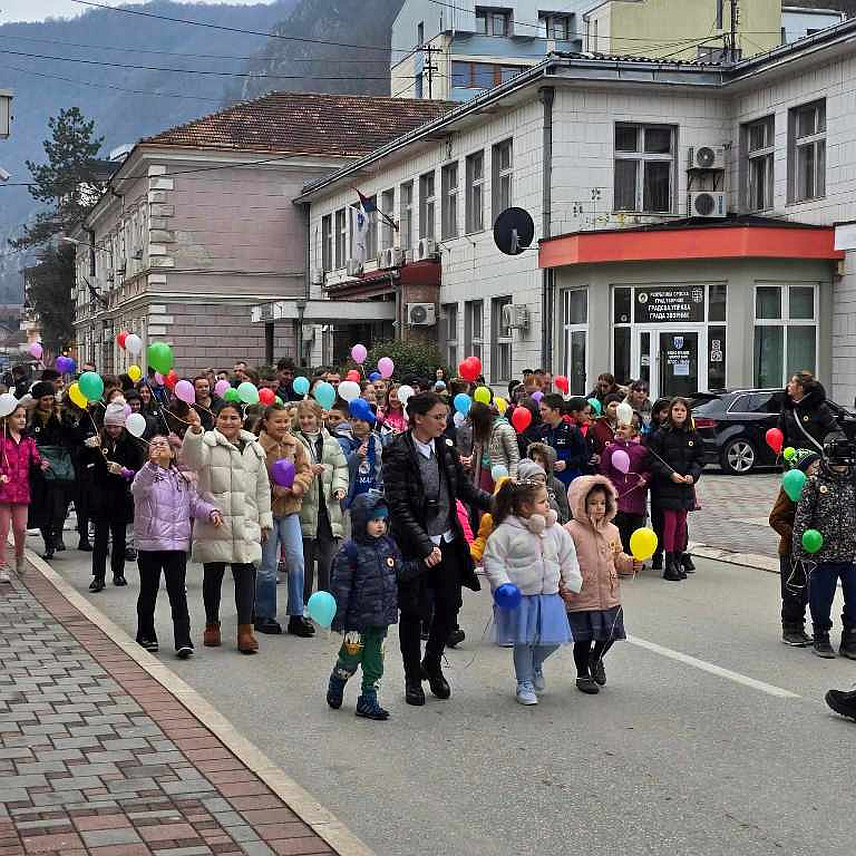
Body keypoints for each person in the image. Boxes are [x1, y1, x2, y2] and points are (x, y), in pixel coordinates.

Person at [383, 392, 492, 706]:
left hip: (447, 541)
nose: (444, 422)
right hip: (415, 546)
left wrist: (499, 503)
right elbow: (399, 506)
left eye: (445, 416)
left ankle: (431, 663)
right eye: (438, 417)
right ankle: (411, 677)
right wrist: (423, 544)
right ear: (418, 418)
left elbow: (464, 488)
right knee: (414, 612)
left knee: (448, 607)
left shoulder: (445, 448)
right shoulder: (397, 451)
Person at [180, 401, 272, 655]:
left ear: (241, 421)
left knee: (246, 576)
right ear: (216, 420)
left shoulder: (254, 448)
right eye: (223, 417)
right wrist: (195, 433)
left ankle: (245, 629)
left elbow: (262, 488)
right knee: (213, 576)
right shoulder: (207, 442)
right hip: (216, 520)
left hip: (245, 520)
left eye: (233, 418)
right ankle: (212, 624)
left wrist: (265, 520)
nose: (228, 422)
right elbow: (191, 459)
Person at [483, 479, 580, 705]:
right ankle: (524, 682)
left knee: (553, 640)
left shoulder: (555, 530)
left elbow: (569, 557)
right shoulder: (506, 531)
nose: (548, 506)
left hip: (549, 595)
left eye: (549, 501)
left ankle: (535, 664)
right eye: (543, 501)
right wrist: (503, 585)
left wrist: (573, 581)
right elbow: (493, 561)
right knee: (523, 641)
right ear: (526, 507)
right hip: (521, 598)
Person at [132, 434, 222, 658]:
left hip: (176, 545)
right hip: (150, 545)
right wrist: (151, 464)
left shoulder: (181, 479)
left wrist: (210, 511)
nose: (159, 446)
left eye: (164, 444)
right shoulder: (146, 476)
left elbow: (193, 503)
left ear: (173, 453)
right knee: (148, 592)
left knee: (177, 594)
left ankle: (183, 639)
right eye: (154, 444)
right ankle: (145, 633)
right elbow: (137, 488)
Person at [326, 491, 403, 720]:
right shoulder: (349, 552)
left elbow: (400, 571)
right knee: (350, 660)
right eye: (374, 520)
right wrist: (338, 619)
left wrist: (423, 563)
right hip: (356, 621)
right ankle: (338, 679)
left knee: (375, 661)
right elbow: (341, 589)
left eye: (383, 521)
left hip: (380, 620)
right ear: (361, 521)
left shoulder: (389, 546)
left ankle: (368, 699)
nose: (380, 526)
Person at [563, 475, 638, 694]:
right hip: (582, 594)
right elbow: (563, 562)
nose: (598, 508)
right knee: (584, 638)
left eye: (603, 503)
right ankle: (582, 674)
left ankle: (595, 659)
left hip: (609, 592)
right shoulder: (570, 531)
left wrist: (630, 563)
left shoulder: (612, 530)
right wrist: (563, 585)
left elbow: (618, 556)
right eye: (593, 503)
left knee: (610, 633)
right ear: (581, 503)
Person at [792, 434, 856, 659]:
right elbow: (802, 518)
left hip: (851, 553)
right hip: (823, 553)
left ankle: (851, 637)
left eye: (844, 464)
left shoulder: (853, 480)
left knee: (855, 598)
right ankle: (821, 635)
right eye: (836, 463)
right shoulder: (814, 484)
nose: (840, 468)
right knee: (821, 597)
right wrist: (801, 551)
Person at [256, 403, 314, 637]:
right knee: (268, 566)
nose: (282, 425)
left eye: (286, 421)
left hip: (290, 510)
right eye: (277, 421)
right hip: (267, 512)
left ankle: (297, 613)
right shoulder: (257, 447)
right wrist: (272, 488)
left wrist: (295, 486)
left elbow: (305, 470)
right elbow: (252, 476)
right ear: (267, 423)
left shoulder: (296, 444)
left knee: (297, 560)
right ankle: (264, 613)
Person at [82, 400, 143, 592]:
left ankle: (118, 572)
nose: (112, 430)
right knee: (100, 539)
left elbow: (139, 470)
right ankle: (98, 576)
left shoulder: (131, 444)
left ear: (122, 425)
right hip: (101, 495)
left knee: (119, 537)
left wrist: (125, 472)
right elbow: (82, 460)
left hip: (121, 496)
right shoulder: (100, 441)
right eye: (109, 426)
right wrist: (88, 447)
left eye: (116, 427)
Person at [295, 399, 348, 601]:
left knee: (328, 559)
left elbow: (340, 468)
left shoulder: (332, 442)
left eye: (310, 417)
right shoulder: (294, 441)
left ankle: (326, 600)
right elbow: (290, 469)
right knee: (305, 559)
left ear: (318, 418)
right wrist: (309, 471)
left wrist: (339, 487)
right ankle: (304, 601)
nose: (306, 421)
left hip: (328, 508)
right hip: (305, 507)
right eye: (302, 417)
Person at [647, 398, 704, 582]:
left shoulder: (693, 435)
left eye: (683, 410)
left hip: (685, 486)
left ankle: (679, 559)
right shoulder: (661, 434)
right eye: (676, 410)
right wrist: (670, 474)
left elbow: (699, 459)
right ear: (671, 412)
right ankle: (669, 561)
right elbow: (653, 460)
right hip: (666, 486)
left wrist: (692, 475)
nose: (679, 413)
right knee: (670, 523)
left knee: (681, 524)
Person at [768, 448, 820, 646]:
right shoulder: (791, 487)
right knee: (792, 590)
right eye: (813, 465)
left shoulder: (816, 487)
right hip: (790, 550)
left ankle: (800, 627)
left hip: (811, 550)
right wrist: (796, 536)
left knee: (805, 591)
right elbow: (775, 519)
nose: (818, 468)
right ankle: (790, 628)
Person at [27, 380, 76, 560]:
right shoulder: (31, 418)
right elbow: (27, 438)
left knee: (58, 506)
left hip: (60, 467)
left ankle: (57, 535)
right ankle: (49, 542)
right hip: (39, 468)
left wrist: (63, 420)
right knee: (41, 508)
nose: (48, 403)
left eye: (50, 399)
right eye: (44, 399)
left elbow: (71, 436)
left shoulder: (62, 415)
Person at [0, 405, 44, 581]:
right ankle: (1, 564)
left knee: (20, 529)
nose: (22, 420)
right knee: (2, 530)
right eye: (17, 416)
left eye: (24, 416)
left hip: (22, 492)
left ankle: (19, 555)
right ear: (7, 418)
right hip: (3, 492)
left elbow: (35, 459)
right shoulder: (2, 439)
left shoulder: (29, 440)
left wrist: (41, 464)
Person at [600, 417, 651, 553]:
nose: (619, 431)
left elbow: (648, 470)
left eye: (624, 428)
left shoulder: (642, 451)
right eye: (618, 427)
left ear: (633, 431)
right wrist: (610, 487)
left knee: (635, 529)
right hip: (618, 497)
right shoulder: (610, 450)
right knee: (619, 529)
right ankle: (619, 557)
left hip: (637, 497)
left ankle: (633, 558)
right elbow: (604, 471)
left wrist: (644, 478)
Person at [777, 371, 839, 454]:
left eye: (792, 382)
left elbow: (835, 431)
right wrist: (780, 447)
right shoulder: (787, 407)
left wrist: (827, 445)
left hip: (813, 458)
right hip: (792, 456)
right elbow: (781, 430)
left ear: (801, 388)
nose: (788, 385)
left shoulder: (818, 407)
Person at [645, 397, 672, 570]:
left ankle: (678, 553)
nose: (667, 415)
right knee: (658, 519)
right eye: (664, 412)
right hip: (658, 482)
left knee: (676, 522)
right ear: (656, 414)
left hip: (677, 482)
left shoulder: (680, 432)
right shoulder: (653, 434)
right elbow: (651, 458)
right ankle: (657, 552)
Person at [539, 394, 587, 488]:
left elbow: (584, 457)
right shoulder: (542, 430)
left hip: (569, 482)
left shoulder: (572, 430)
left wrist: (567, 464)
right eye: (540, 410)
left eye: (544, 410)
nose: (541, 413)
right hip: (547, 482)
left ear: (556, 411)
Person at [340, 408, 384, 508]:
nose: (358, 424)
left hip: (372, 499)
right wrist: (356, 457)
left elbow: (380, 470)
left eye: (363, 420)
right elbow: (341, 468)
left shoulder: (377, 441)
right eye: (354, 420)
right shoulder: (342, 441)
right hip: (349, 500)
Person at [525, 443, 570, 523]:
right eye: (534, 459)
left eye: (540, 460)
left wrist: (547, 497)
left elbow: (563, 518)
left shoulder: (558, 486)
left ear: (548, 464)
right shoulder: (525, 483)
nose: (535, 463)